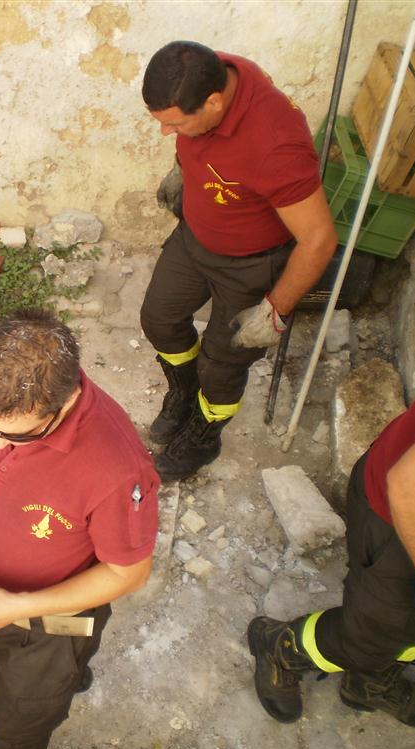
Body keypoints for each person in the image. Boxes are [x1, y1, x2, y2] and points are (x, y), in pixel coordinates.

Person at [0, 310, 159, 749]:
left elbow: (129, 572)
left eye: (17, 437)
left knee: (23, 724)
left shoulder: (116, 468)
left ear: (65, 405)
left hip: (51, 623)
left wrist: (20, 606)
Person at [248, 325, 415, 727]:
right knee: (369, 636)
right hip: (399, 519)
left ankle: (367, 684)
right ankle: (280, 647)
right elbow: (407, 489)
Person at [139, 40, 337, 481]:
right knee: (159, 318)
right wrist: (182, 171)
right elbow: (198, 147)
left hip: (249, 262)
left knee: (222, 363)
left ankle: (205, 433)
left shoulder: (276, 146)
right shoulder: (227, 72)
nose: (165, 133)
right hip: (195, 239)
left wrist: (275, 310)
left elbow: (319, 239)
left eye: (174, 124)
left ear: (214, 103)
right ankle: (184, 393)